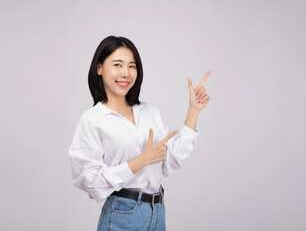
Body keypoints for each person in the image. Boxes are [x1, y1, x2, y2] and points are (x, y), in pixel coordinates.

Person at [68, 35, 210, 231]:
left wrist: (193, 111)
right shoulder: (93, 119)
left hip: (157, 211)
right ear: (99, 68)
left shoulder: (150, 111)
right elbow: (91, 182)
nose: (125, 73)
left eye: (132, 66)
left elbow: (171, 161)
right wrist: (141, 161)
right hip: (123, 214)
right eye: (117, 65)